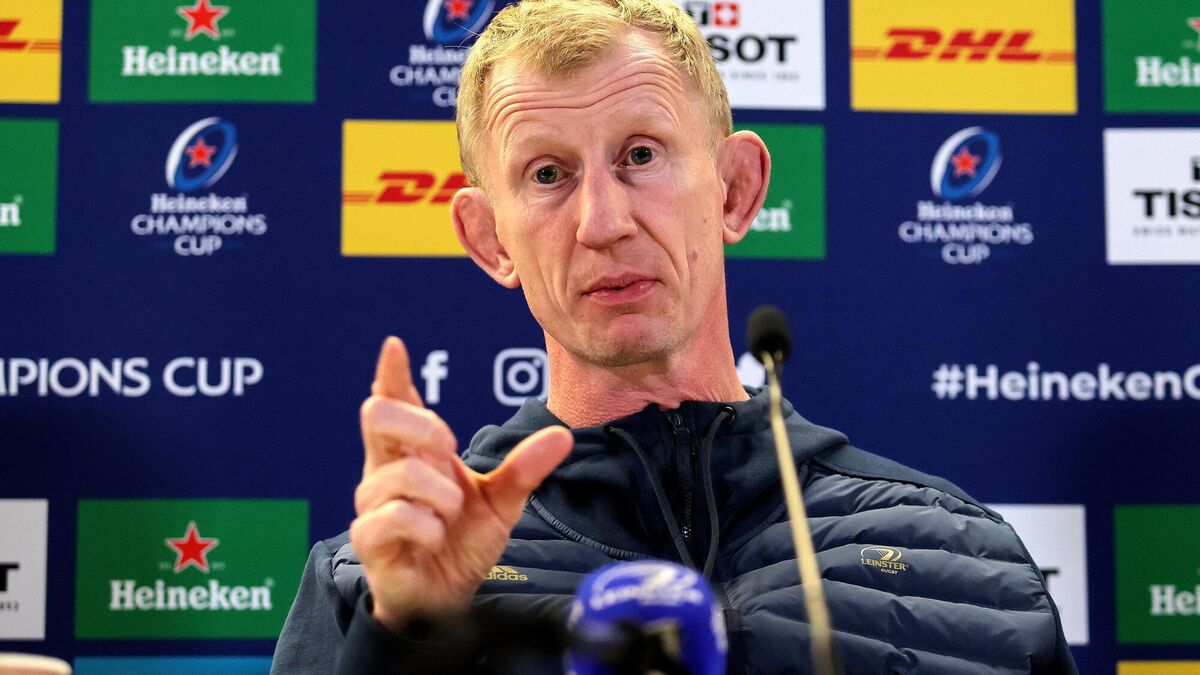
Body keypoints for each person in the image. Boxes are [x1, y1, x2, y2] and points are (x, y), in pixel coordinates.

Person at [272, 0, 1077, 672]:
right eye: (547, 174)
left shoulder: (965, 565)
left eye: (640, 155)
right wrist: (405, 641)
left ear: (734, 189)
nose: (603, 222)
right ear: (489, 239)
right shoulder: (378, 586)